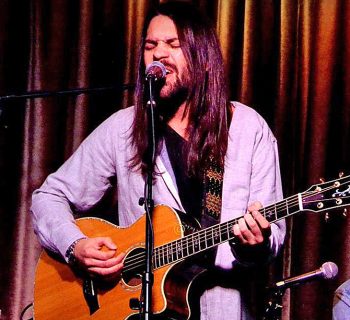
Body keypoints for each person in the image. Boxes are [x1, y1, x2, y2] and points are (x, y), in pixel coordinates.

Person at [31, 2, 286, 319]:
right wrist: (75, 246)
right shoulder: (124, 128)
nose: (159, 54)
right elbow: (49, 196)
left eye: (173, 45)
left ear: (203, 59)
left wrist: (255, 244)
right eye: (150, 45)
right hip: (137, 310)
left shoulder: (247, 128)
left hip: (221, 309)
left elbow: (272, 236)